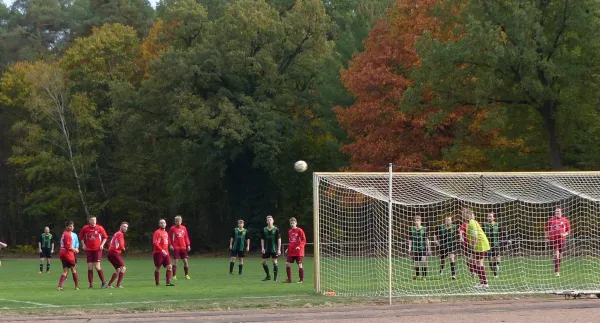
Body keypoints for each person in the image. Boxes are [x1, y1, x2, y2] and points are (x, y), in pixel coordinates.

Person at [79, 216, 108, 289]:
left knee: (97, 266)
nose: (93, 221)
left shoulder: (100, 228)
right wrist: (83, 244)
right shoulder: (85, 228)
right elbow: (81, 236)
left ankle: (104, 283)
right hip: (89, 250)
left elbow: (105, 237)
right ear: (89, 221)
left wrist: (102, 245)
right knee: (89, 267)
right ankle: (91, 285)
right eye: (92, 220)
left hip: (97, 249)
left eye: (95, 220)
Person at [464, 209, 490, 288]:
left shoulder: (472, 223)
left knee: (478, 263)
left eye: (464, 214)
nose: (463, 215)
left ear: (468, 215)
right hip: (478, 244)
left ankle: (484, 283)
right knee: (471, 260)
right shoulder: (471, 222)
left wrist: (472, 247)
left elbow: (475, 237)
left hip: (480, 244)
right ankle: (482, 280)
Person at [545, 207, 571, 277]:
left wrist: (564, 234)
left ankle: (557, 267)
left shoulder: (565, 220)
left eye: (558, 211)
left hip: (562, 240)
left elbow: (568, 231)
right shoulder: (551, 220)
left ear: (561, 212)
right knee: (556, 255)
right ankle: (557, 271)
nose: (557, 213)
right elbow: (547, 230)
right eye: (556, 211)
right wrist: (547, 238)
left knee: (560, 256)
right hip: (553, 240)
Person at [483, 212, 510, 279]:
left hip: (496, 244)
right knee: (490, 260)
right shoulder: (484, 225)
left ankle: (496, 265)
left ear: (493, 218)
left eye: (491, 216)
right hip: (487, 245)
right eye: (488, 216)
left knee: (497, 258)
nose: (489, 218)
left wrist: (507, 239)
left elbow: (503, 233)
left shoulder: (497, 225)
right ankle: (495, 275)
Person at [283, 217, 306, 283]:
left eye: (293, 223)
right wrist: (288, 248)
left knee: (299, 265)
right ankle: (289, 279)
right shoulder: (289, 231)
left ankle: (301, 280)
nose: (292, 224)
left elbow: (304, 240)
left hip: (298, 251)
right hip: (291, 251)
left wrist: (300, 246)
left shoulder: (300, 230)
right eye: (291, 223)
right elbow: (291, 241)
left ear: (296, 223)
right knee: (287, 263)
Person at [57, 221, 79, 291]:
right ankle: (76, 287)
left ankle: (59, 286)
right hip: (68, 254)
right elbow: (69, 247)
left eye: (72, 226)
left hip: (62, 253)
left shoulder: (64, 233)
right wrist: (75, 250)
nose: (72, 227)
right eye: (70, 226)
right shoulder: (67, 235)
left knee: (65, 271)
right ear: (66, 227)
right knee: (74, 269)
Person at [153, 219, 175, 286]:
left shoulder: (166, 233)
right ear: (159, 224)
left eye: (164, 223)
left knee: (170, 266)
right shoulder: (157, 232)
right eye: (161, 223)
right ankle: (157, 282)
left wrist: (170, 246)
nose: (163, 224)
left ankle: (168, 282)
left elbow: (166, 242)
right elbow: (155, 242)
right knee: (158, 267)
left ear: (166, 224)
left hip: (166, 253)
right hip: (158, 253)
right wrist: (161, 249)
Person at [169, 215, 191, 280]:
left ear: (181, 221)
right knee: (175, 261)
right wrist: (170, 245)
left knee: (185, 261)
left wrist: (188, 245)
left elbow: (186, 237)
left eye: (179, 221)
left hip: (183, 247)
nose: (178, 222)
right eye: (177, 221)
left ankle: (186, 275)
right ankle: (174, 276)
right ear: (175, 222)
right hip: (176, 247)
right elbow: (169, 237)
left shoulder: (184, 228)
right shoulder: (172, 228)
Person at [408, 215, 430, 280]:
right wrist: (409, 248)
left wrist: (429, 248)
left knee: (424, 261)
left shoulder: (424, 229)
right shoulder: (411, 229)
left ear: (420, 221)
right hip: (415, 248)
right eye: (415, 221)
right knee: (416, 263)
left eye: (418, 221)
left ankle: (424, 276)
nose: (416, 222)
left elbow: (426, 239)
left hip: (423, 247)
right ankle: (417, 274)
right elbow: (410, 240)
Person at [107, 222, 128, 288]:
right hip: (114, 253)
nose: (125, 228)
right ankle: (118, 285)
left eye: (126, 227)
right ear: (120, 226)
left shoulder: (116, 233)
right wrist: (123, 247)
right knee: (123, 268)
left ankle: (109, 285)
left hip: (110, 253)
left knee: (118, 270)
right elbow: (121, 244)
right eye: (124, 226)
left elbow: (112, 243)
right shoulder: (120, 234)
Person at [260, 215, 281, 281]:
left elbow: (279, 239)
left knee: (274, 262)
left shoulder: (276, 229)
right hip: (266, 248)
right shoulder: (264, 229)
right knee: (263, 262)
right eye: (268, 220)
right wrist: (262, 248)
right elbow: (262, 239)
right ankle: (268, 276)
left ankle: (275, 278)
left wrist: (279, 249)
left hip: (273, 248)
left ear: (273, 221)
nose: (269, 221)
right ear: (266, 221)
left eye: (270, 220)